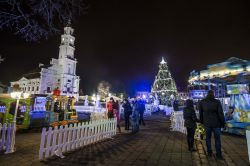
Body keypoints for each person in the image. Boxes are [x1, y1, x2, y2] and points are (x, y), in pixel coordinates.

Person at [199, 90, 225, 160]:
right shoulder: (217, 102)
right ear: (213, 94)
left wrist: (201, 122)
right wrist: (223, 123)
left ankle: (209, 152)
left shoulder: (202, 102)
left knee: (208, 138)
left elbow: (200, 114)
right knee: (217, 139)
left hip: (207, 124)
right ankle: (218, 154)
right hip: (216, 124)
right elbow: (220, 113)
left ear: (207, 94)